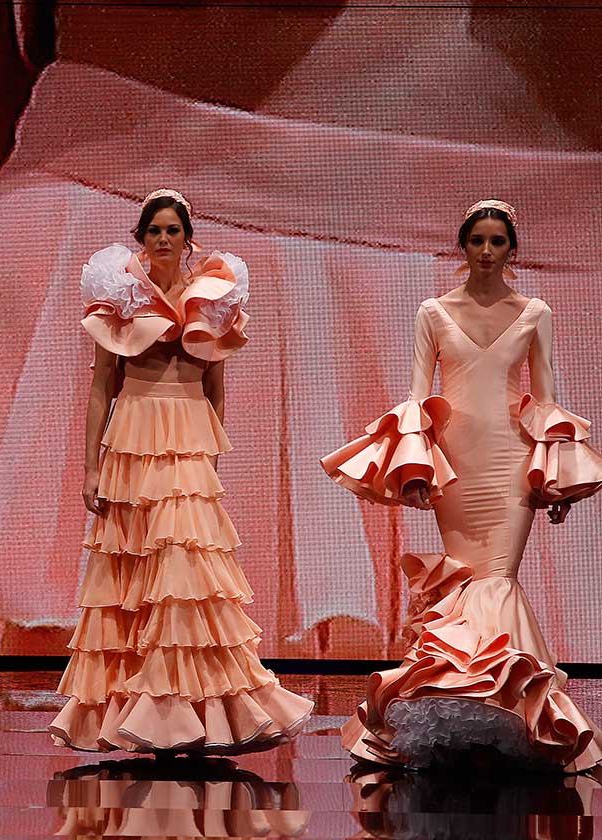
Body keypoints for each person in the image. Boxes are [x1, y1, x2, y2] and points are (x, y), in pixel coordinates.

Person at [322, 199, 602, 772]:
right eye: (477, 240)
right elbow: (417, 397)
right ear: (464, 246)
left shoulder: (536, 313)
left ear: (511, 249)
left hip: (510, 462)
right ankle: (465, 709)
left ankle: (508, 713)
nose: (486, 251)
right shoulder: (432, 311)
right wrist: (415, 469)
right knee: (467, 578)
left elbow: (545, 400)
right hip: (455, 465)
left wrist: (557, 481)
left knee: (498, 576)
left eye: (497, 241)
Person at [49, 189, 313, 754]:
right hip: (132, 437)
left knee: (184, 569)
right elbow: (101, 388)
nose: (163, 239)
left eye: (173, 230)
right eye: (154, 231)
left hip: (188, 438)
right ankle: (134, 713)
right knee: (133, 572)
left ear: (187, 240)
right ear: (141, 238)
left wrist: (209, 455)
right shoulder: (120, 294)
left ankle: (195, 710)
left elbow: (216, 385)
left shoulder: (212, 296)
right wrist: (90, 468)